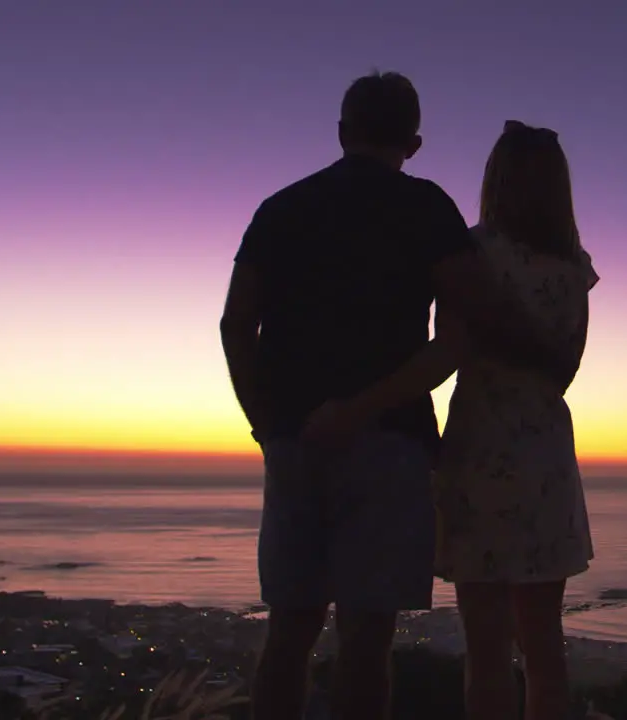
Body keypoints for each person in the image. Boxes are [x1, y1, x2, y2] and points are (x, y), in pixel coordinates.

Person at [220, 74, 579, 720]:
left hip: (297, 443)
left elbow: (234, 326)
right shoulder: (428, 211)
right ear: (413, 142)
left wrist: (265, 426)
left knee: (289, 633)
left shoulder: (280, 209)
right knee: (367, 640)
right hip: (392, 445)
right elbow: (461, 336)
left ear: (340, 132)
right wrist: (365, 410)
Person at [326, 120, 597, 720]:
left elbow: (448, 350)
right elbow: (565, 370)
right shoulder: (573, 267)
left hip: (480, 452)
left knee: (487, 650)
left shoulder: (472, 254)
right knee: (544, 645)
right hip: (547, 457)